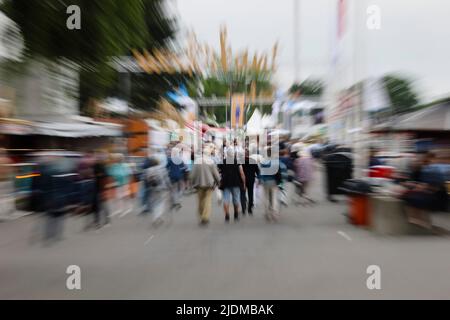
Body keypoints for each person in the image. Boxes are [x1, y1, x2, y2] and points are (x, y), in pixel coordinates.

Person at [190, 146, 221, 225]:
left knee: (200, 201)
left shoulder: (197, 161)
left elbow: (192, 174)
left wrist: (191, 182)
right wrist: (218, 182)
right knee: (207, 200)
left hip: (199, 184)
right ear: (209, 153)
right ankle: (205, 217)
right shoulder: (211, 161)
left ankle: (201, 215)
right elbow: (216, 174)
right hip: (209, 184)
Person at [218, 148, 246, 222]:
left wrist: (219, 180)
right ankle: (236, 214)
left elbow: (217, 171)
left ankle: (227, 215)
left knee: (226, 199)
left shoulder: (222, 162)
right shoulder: (237, 162)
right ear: (233, 154)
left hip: (225, 183)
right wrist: (243, 182)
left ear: (227, 154)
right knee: (236, 199)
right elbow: (242, 173)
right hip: (236, 183)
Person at [258, 148, 283, 222]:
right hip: (274, 182)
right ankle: (274, 213)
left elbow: (260, 173)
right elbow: (279, 174)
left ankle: (266, 213)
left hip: (265, 182)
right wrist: (281, 183)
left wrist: (260, 181)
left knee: (266, 198)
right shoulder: (276, 162)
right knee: (274, 197)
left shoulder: (263, 162)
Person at [241, 147, 260, 215]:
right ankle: (250, 209)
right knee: (250, 193)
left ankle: (243, 208)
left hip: (242, 180)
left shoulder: (241, 161)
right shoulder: (253, 161)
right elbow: (257, 171)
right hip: (251, 179)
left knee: (242, 193)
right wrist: (258, 178)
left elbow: (238, 170)